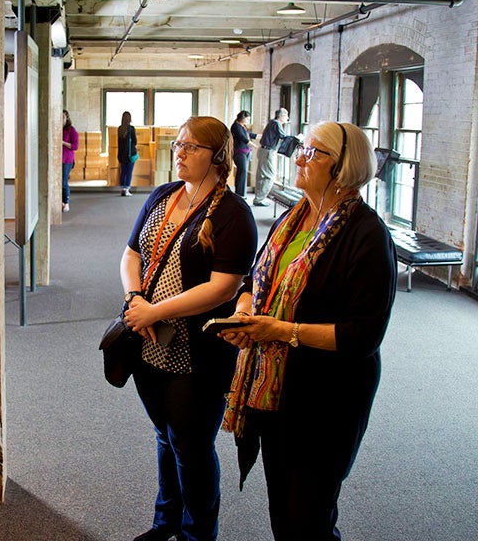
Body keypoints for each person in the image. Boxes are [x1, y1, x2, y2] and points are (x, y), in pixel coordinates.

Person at [218, 121, 397, 541]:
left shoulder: (366, 235)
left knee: (309, 517)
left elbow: (362, 336)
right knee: (283, 510)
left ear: (343, 167)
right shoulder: (292, 218)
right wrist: (245, 313)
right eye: (303, 148)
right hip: (275, 392)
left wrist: (279, 331)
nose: (298, 156)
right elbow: (253, 281)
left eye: (314, 152)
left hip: (326, 399)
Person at [120, 116, 258, 541]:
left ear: (218, 156)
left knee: (191, 447)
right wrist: (135, 298)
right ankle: (166, 525)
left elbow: (223, 288)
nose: (179, 152)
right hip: (149, 344)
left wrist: (154, 311)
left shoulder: (234, 214)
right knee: (165, 437)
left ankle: (197, 535)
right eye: (178, 143)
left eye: (191, 147)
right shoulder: (163, 196)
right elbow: (130, 255)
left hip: (198, 352)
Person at [253, 108, 289, 206]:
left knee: (261, 175)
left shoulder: (272, 123)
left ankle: (258, 198)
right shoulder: (277, 124)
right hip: (268, 152)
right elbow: (283, 136)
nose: (288, 118)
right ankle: (259, 199)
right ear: (282, 116)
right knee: (270, 175)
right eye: (286, 116)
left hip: (263, 150)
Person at [230, 110, 258, 198]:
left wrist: (261, 136)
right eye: (247, 119)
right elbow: (243, 138)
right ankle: (239, 193)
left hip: (246, 152)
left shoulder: (243, 126)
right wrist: (255, 146)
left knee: (243, 172)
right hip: (239, 152)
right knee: (242, 171)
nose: (248, 121)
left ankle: (241, 193)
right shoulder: (236, 126)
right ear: (243, 118)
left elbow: (250, 135)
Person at [62, 110, 79, 212]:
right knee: (58, 182)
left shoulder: (71, 130)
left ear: (67, 118)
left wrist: (63, 143)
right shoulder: (57, 129)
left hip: (67, 159)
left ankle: (66, 201)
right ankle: (61, 202)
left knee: (64, 181)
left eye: (63, 117)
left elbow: (75, 146)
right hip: (57, 160)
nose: (61, 119)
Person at [117, 111, 138, 196]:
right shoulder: (131, 129)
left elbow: (119, 143)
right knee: (129, 172)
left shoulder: (119, 129)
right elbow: (135, 141)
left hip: (121, 155)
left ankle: (122, 188)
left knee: (123, 172)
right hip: (130, 155)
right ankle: (127, 189)